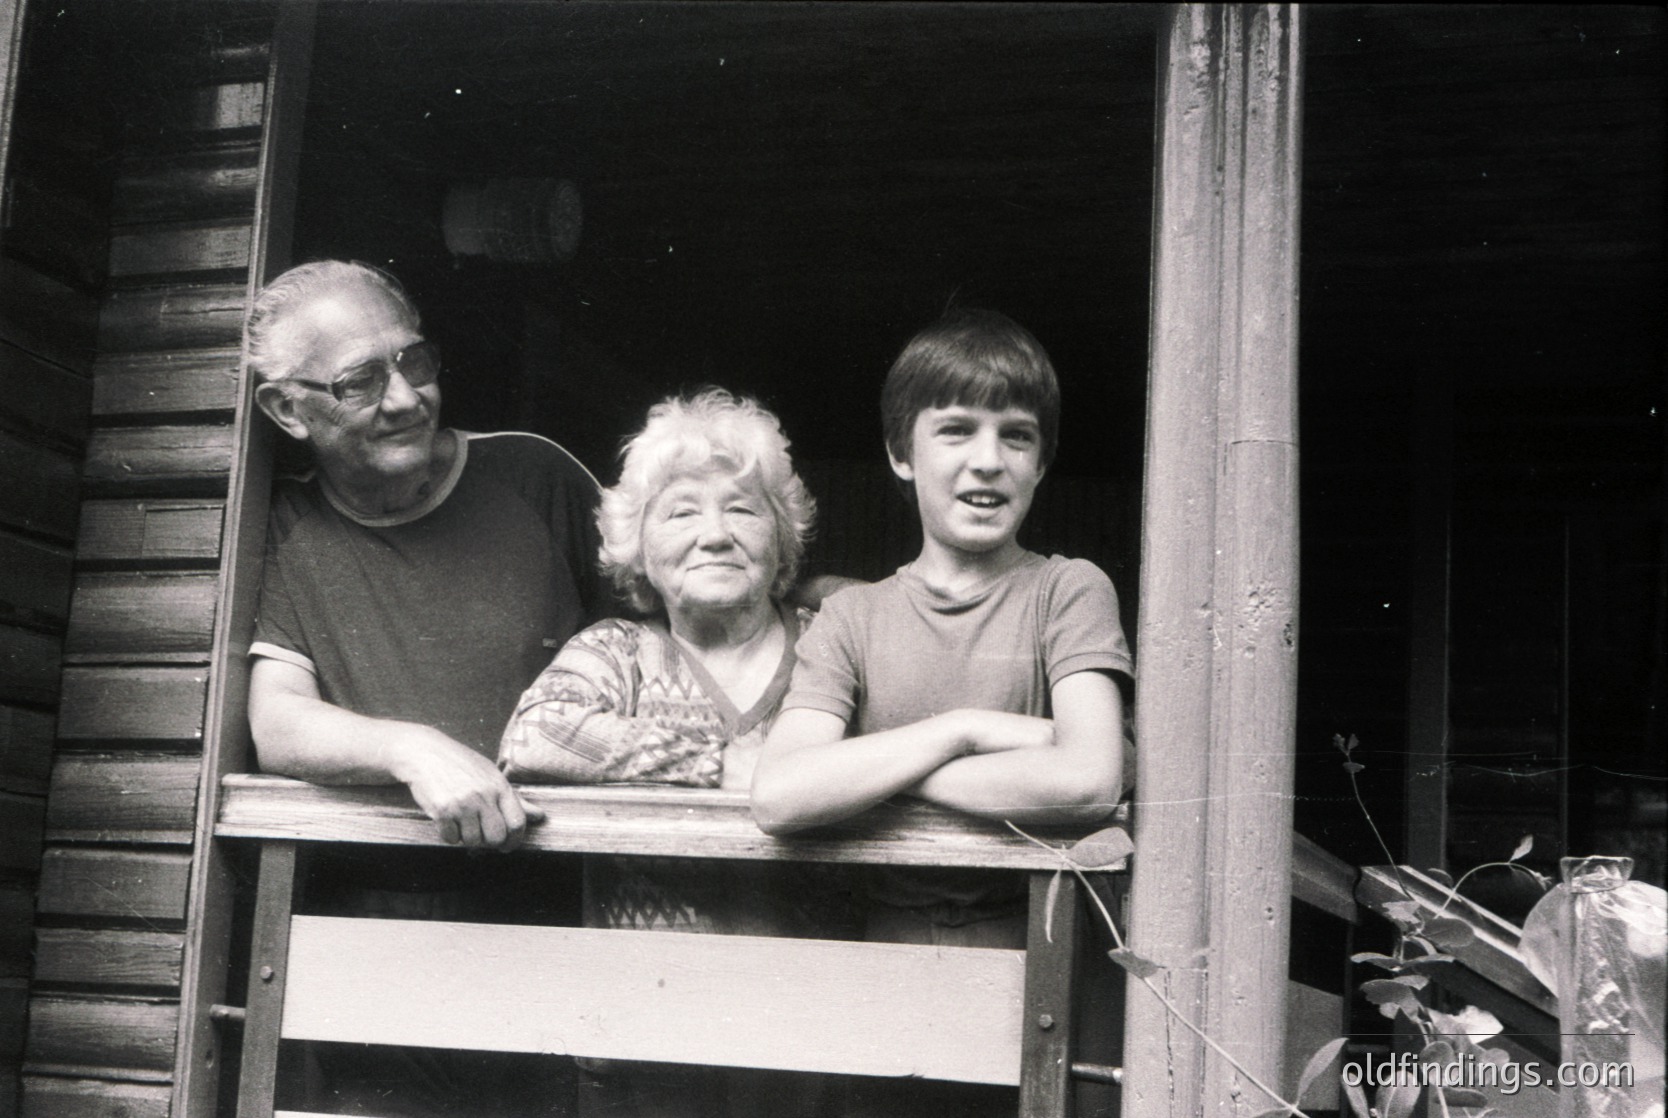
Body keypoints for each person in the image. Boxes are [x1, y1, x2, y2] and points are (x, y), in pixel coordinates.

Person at [750, 308, 1133, 1115]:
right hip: (879, 977)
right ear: (901, 452)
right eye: (956, 430)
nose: (987, 462)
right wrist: (960, 732)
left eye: (1017, 436)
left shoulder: (1068, 590)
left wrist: (883, 769)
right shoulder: (854, 620)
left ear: (1042, 462)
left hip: (1042, 975)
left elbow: (1089, 779)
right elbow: (780, 794)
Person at [244, 259, 602, 1116]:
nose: (406, 398)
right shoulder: (283, 523)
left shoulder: (536, 478)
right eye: (361, 381)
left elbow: (679, 630)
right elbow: (277, 723)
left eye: (416, 361)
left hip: (561, 913)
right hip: (370, 936)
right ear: (288, 409)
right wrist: (411, 747)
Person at [501, 389, 849, 1117]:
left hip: (814, 1031)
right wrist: (719, 766)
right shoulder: (617, 650)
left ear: (783, 540)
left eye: (745, 509)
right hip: (644, 1039)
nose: (715, 534)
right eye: (683, 511)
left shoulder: (834, 641)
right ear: (639, 550)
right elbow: (534, 734)